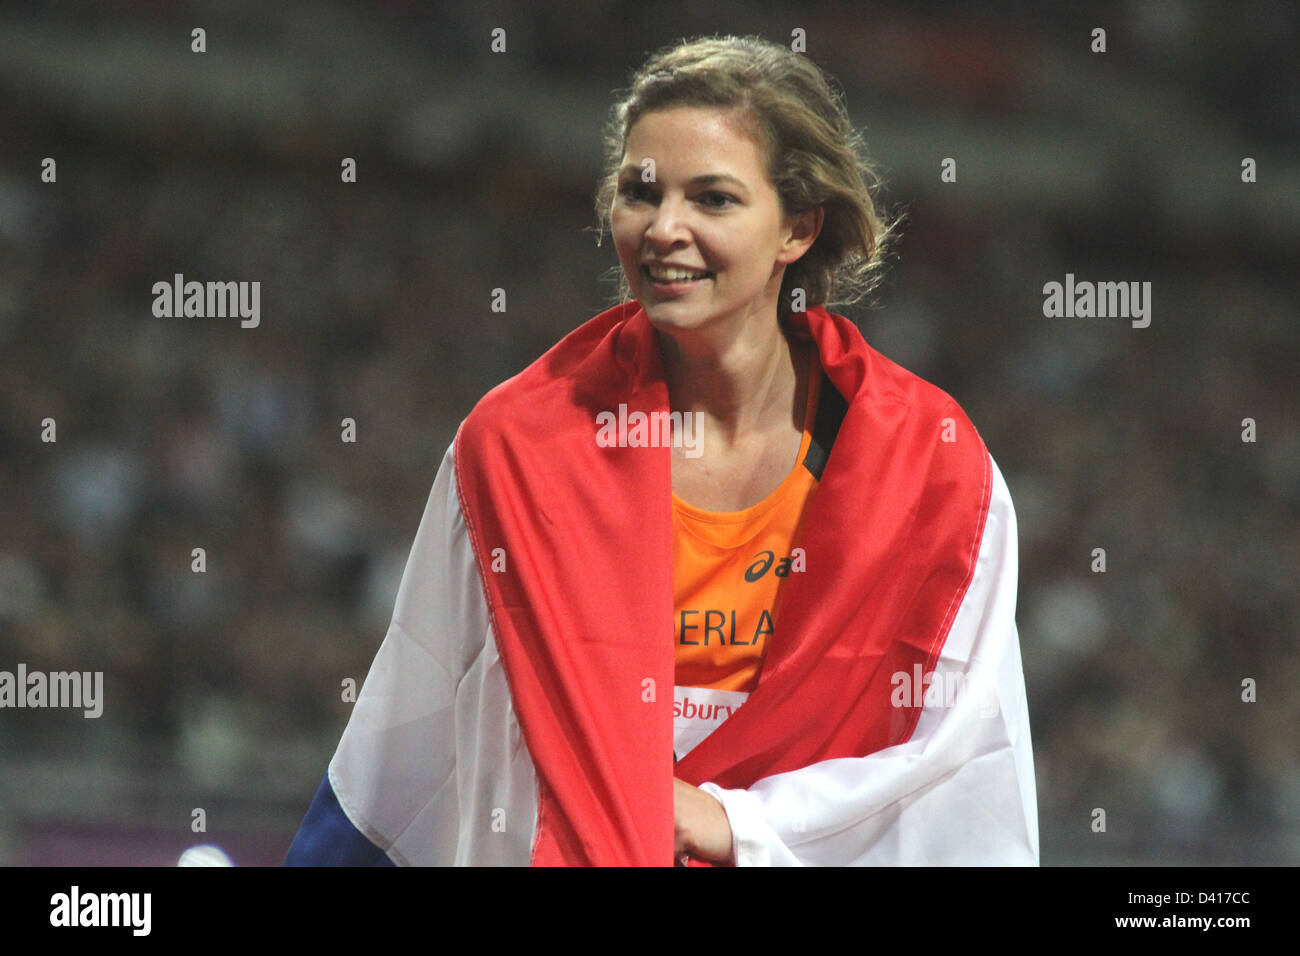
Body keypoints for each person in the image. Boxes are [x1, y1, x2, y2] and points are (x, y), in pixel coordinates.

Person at [285, 34, 1038, 867]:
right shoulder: (519, 449)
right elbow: (419, 732)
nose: (663, 229)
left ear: (797, 228)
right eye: (640, 192)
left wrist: (736, 826)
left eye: (712, 199)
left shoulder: (932, 468)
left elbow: (955, 763)